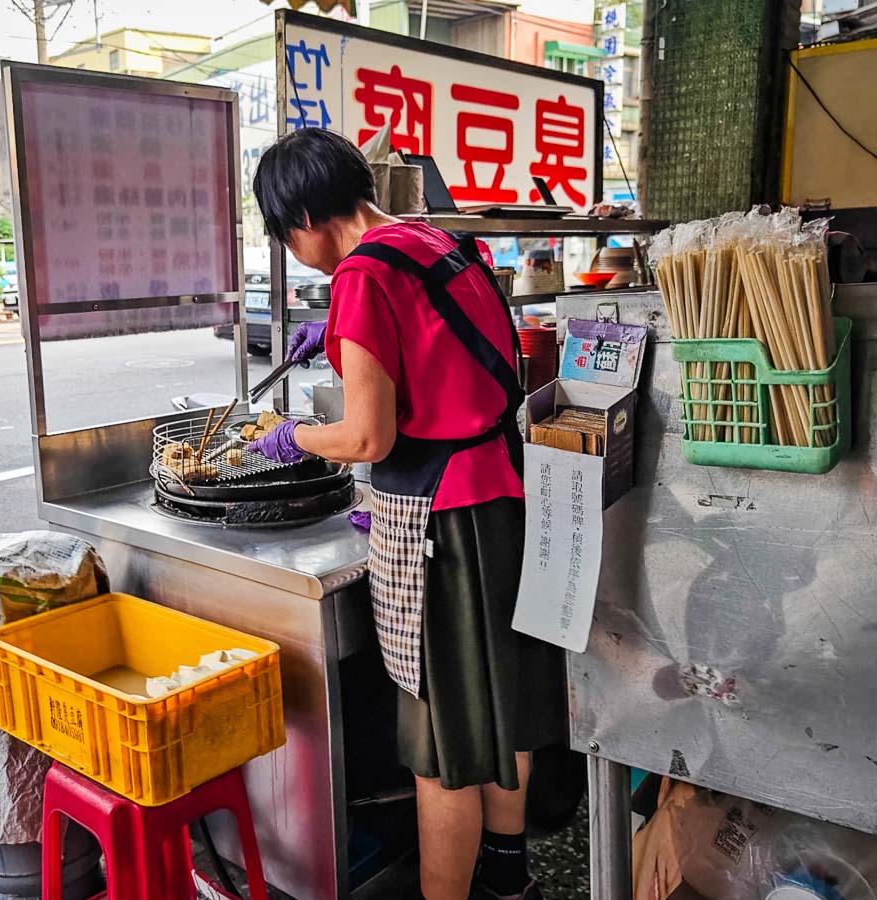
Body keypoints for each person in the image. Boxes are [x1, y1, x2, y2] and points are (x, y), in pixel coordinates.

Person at [247, 128, 566, 900]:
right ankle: (508, 873)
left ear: (302, 216)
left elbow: (366, 435)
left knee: (438, 743)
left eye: (285, 235)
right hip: (503, 499)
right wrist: (340, 341)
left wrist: (290, 437)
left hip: (444, 526)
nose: (296, 253)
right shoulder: (431, 241)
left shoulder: (361, 277)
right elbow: (443, 356)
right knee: (501, 708)